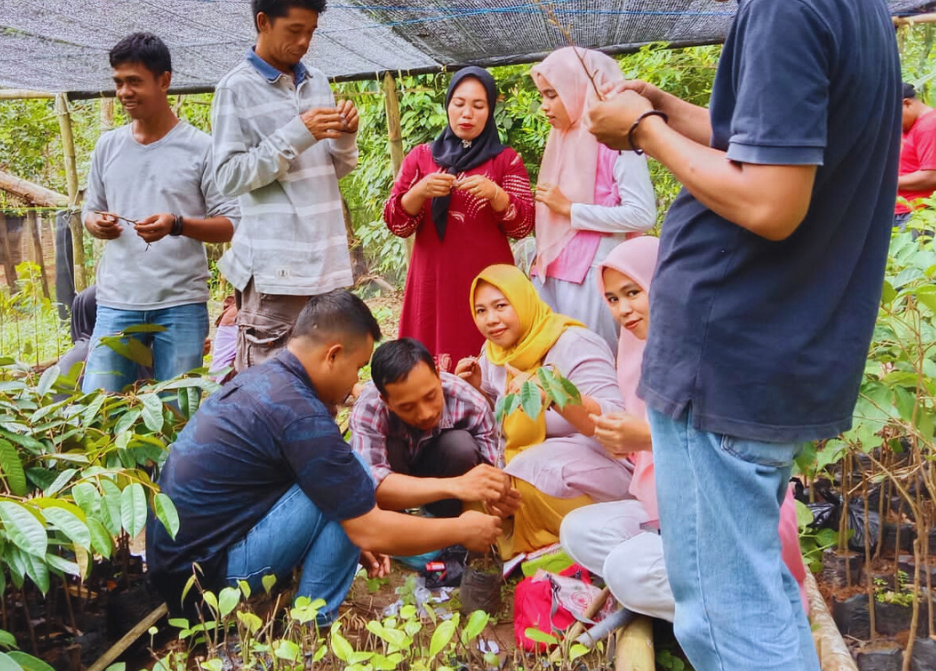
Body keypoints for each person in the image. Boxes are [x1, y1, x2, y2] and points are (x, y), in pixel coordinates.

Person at [586, 0, 901, 667]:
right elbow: (774, 144)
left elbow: (769, 200)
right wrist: (669, 111)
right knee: (753, 596)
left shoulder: (782, 0)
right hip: (775, 348)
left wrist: (645, 134)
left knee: (729, 622)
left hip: (729, 356)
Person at [147, 291, 503, 627]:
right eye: (358, 366)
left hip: (178, 570)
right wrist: (462, 528)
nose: (356, 380)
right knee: (354, 479)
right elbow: (368, 527)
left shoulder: (265, 380)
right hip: (208, 582)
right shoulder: (301, 414)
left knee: (344, 486)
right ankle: (312, 622)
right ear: (333, 355)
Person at [559, 236, 807, 622]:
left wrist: (645, 437)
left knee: (627, 571)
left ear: (666, 283)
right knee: (579, 530)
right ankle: (693, 600)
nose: (624, 310)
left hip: (735, 518)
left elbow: (741, 445)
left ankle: (748, 611)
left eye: (632, 292)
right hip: (678, 510)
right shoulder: (636, 350)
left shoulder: (709, 343)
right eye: (612, 300)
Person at [211, 0, 360, 371]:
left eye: (311, 31)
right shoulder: (235, 88)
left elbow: (334, 169)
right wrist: (296, 133)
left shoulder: (318, 82)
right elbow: (228, 177)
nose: (304, 42)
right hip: (276, 272)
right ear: (263, 21)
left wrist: (346, 135)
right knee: (268, 390)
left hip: (325, 266)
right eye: (295, 30)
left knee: (324, 381)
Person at [81, 32, 239, 394]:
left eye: (134, 82)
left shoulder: (202, 148)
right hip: (117, 301)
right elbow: (90, 212)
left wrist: (177, 225)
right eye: (118, 83)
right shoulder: (108, 146)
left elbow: (231, 224)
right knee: (97, 410)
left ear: (164, 81)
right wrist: (96, 224)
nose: (124, 93)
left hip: (180, 304)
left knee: (176, 413)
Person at [455, 265, 632, 557]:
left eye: (501, 306)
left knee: (530, 475)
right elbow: (502, 428)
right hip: (531, 467)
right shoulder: (493, 353)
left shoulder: (574, 343)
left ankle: (566, 543)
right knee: (478, 492)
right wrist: (477, 391)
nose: (492, 320)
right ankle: (538, 544)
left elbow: (614, 421)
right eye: (481, 311)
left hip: (598, 467)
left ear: (524, 301)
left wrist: (555, 391)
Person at [383, 68, 535, 364]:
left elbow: (524, 226)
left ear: (490, 110)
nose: (467, 113)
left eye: (478, 106)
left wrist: (496, 196)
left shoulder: (506, 160)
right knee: (427, 366)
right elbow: (396, 223)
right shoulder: (420, 158)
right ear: (448, 105)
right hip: (432, 280)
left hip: (489, 280)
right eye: (459, 103)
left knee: (490, 364)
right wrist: (420, 191)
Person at [530, 47, 656, 354]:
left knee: (594, 362)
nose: (544, 106)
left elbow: (642, 214)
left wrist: (570, 209)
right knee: (558, 366)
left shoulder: (617, 139)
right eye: (542, 96)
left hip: (593, 273)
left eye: (552, 94)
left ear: (577, 89)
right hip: (552, 270)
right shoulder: (561, 138)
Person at [350, 338, 521, 520]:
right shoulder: (369, 409)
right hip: (395, 488)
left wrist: (497, 497)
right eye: (407, 407)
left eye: (430, 397)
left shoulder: (470, 402)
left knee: (460, 446)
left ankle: (447, 521)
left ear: (439, 376)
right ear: (386, 401)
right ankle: (396, 526)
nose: (425, 414)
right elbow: (371, 483)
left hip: (440, 474)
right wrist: (456, 486)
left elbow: (493, 466)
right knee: (388, 449)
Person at [895, 82, 936, 228]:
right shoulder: (910, 125)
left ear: (907, 104)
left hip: (920, 214)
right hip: (902, 212)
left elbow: (933, 176)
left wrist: (885, 182)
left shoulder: (930, 127)